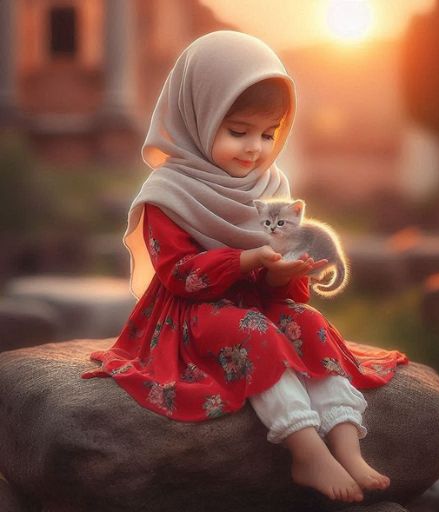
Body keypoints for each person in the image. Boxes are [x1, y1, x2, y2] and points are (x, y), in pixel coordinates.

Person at [82, 31, 408, 502]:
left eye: (268, 133)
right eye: (237, 131)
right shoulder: (169, 193)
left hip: (255, 302)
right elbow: (179, 274)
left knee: (308, 322)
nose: (255, 148)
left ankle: (344, 441)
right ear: (197, 116)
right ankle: (305, 450)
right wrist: (245, 259)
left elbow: (280, 286)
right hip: (191, 316)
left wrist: (283, 274)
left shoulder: (269, 185)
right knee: (252, 331)